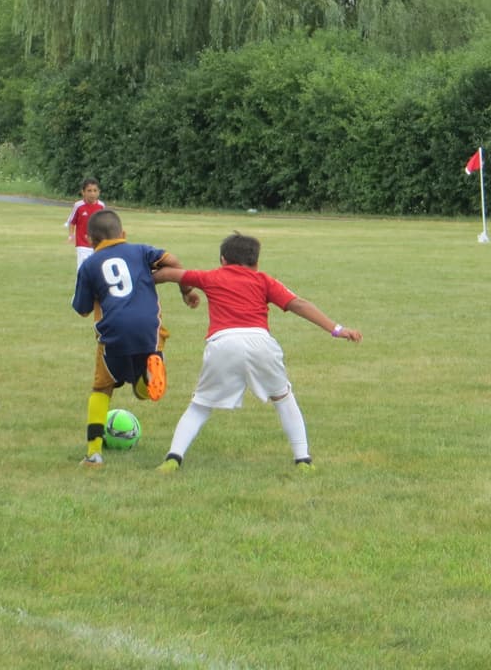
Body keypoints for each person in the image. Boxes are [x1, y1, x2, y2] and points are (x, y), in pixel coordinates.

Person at [151, 232, 362, 473]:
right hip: (260, 342)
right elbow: (299, 305)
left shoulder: (210, 277)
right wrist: (337, 329)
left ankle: (173, 457)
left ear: (222, 260)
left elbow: (169, 274)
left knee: (200, 405)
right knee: (283, 398)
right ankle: (303, 459)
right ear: (256, 262)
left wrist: (143, 281)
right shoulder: (264, 280)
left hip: (223, 343)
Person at [72, 209, 195, 467]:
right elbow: (174, 262)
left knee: (101, 389)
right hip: (149, 329)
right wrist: (184, 292)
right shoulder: (141, 251)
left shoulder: (89, 265)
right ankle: (148, 375)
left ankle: (94, 453)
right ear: (123, 234)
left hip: (113, 332)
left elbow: (82, 309)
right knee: (143, 393)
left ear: (90, 239)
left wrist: (99, 293)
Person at [65, 177, 106, 269]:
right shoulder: (78, 206)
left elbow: (104, 223)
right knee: (83, 268)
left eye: (95, 190)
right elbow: (72, 222)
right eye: (89, 191)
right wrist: (71, 235)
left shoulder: (101, 206)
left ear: (99, 192)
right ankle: (80, 283)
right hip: (82, 244)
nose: (92, 193)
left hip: (98, 244)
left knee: (97, 268)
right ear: (83, 192)